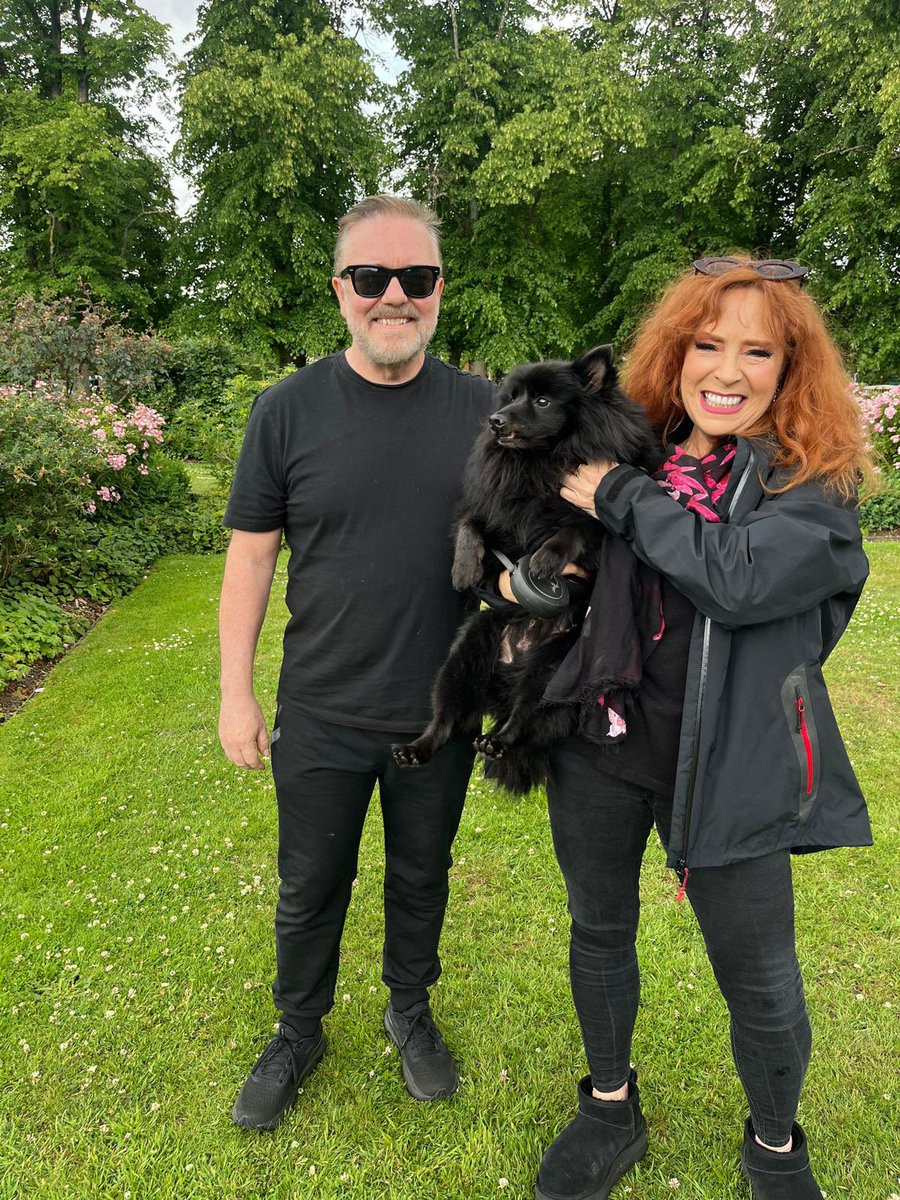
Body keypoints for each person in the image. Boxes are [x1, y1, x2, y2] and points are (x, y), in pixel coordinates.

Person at [522, 259, 873, 1200]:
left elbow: (738, 577)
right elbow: (548, 544)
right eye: (707, 344)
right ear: (675, 354)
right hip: (602, 740)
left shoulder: (814, 490)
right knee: (599, 928)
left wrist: (622, 500)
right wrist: (536, 579)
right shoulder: (637, 454)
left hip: (734, 764)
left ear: (790, 366)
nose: (726, 370)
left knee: (760, 975)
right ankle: (609, 1106)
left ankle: (775, 1146)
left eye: (757, 351)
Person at [218, 195, 495, 1131]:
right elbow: (251, 558)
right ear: (340, 289)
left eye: (416, 277)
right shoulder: (286, 411)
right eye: (372, 277)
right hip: (323, 708)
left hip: (439, 710)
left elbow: (527, 541)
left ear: (440, 289)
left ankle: (409, 1008)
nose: (394, 296)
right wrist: (235, 695)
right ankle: (299, 1030)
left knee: (422, 874)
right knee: (309, 885)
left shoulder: (485, 413)